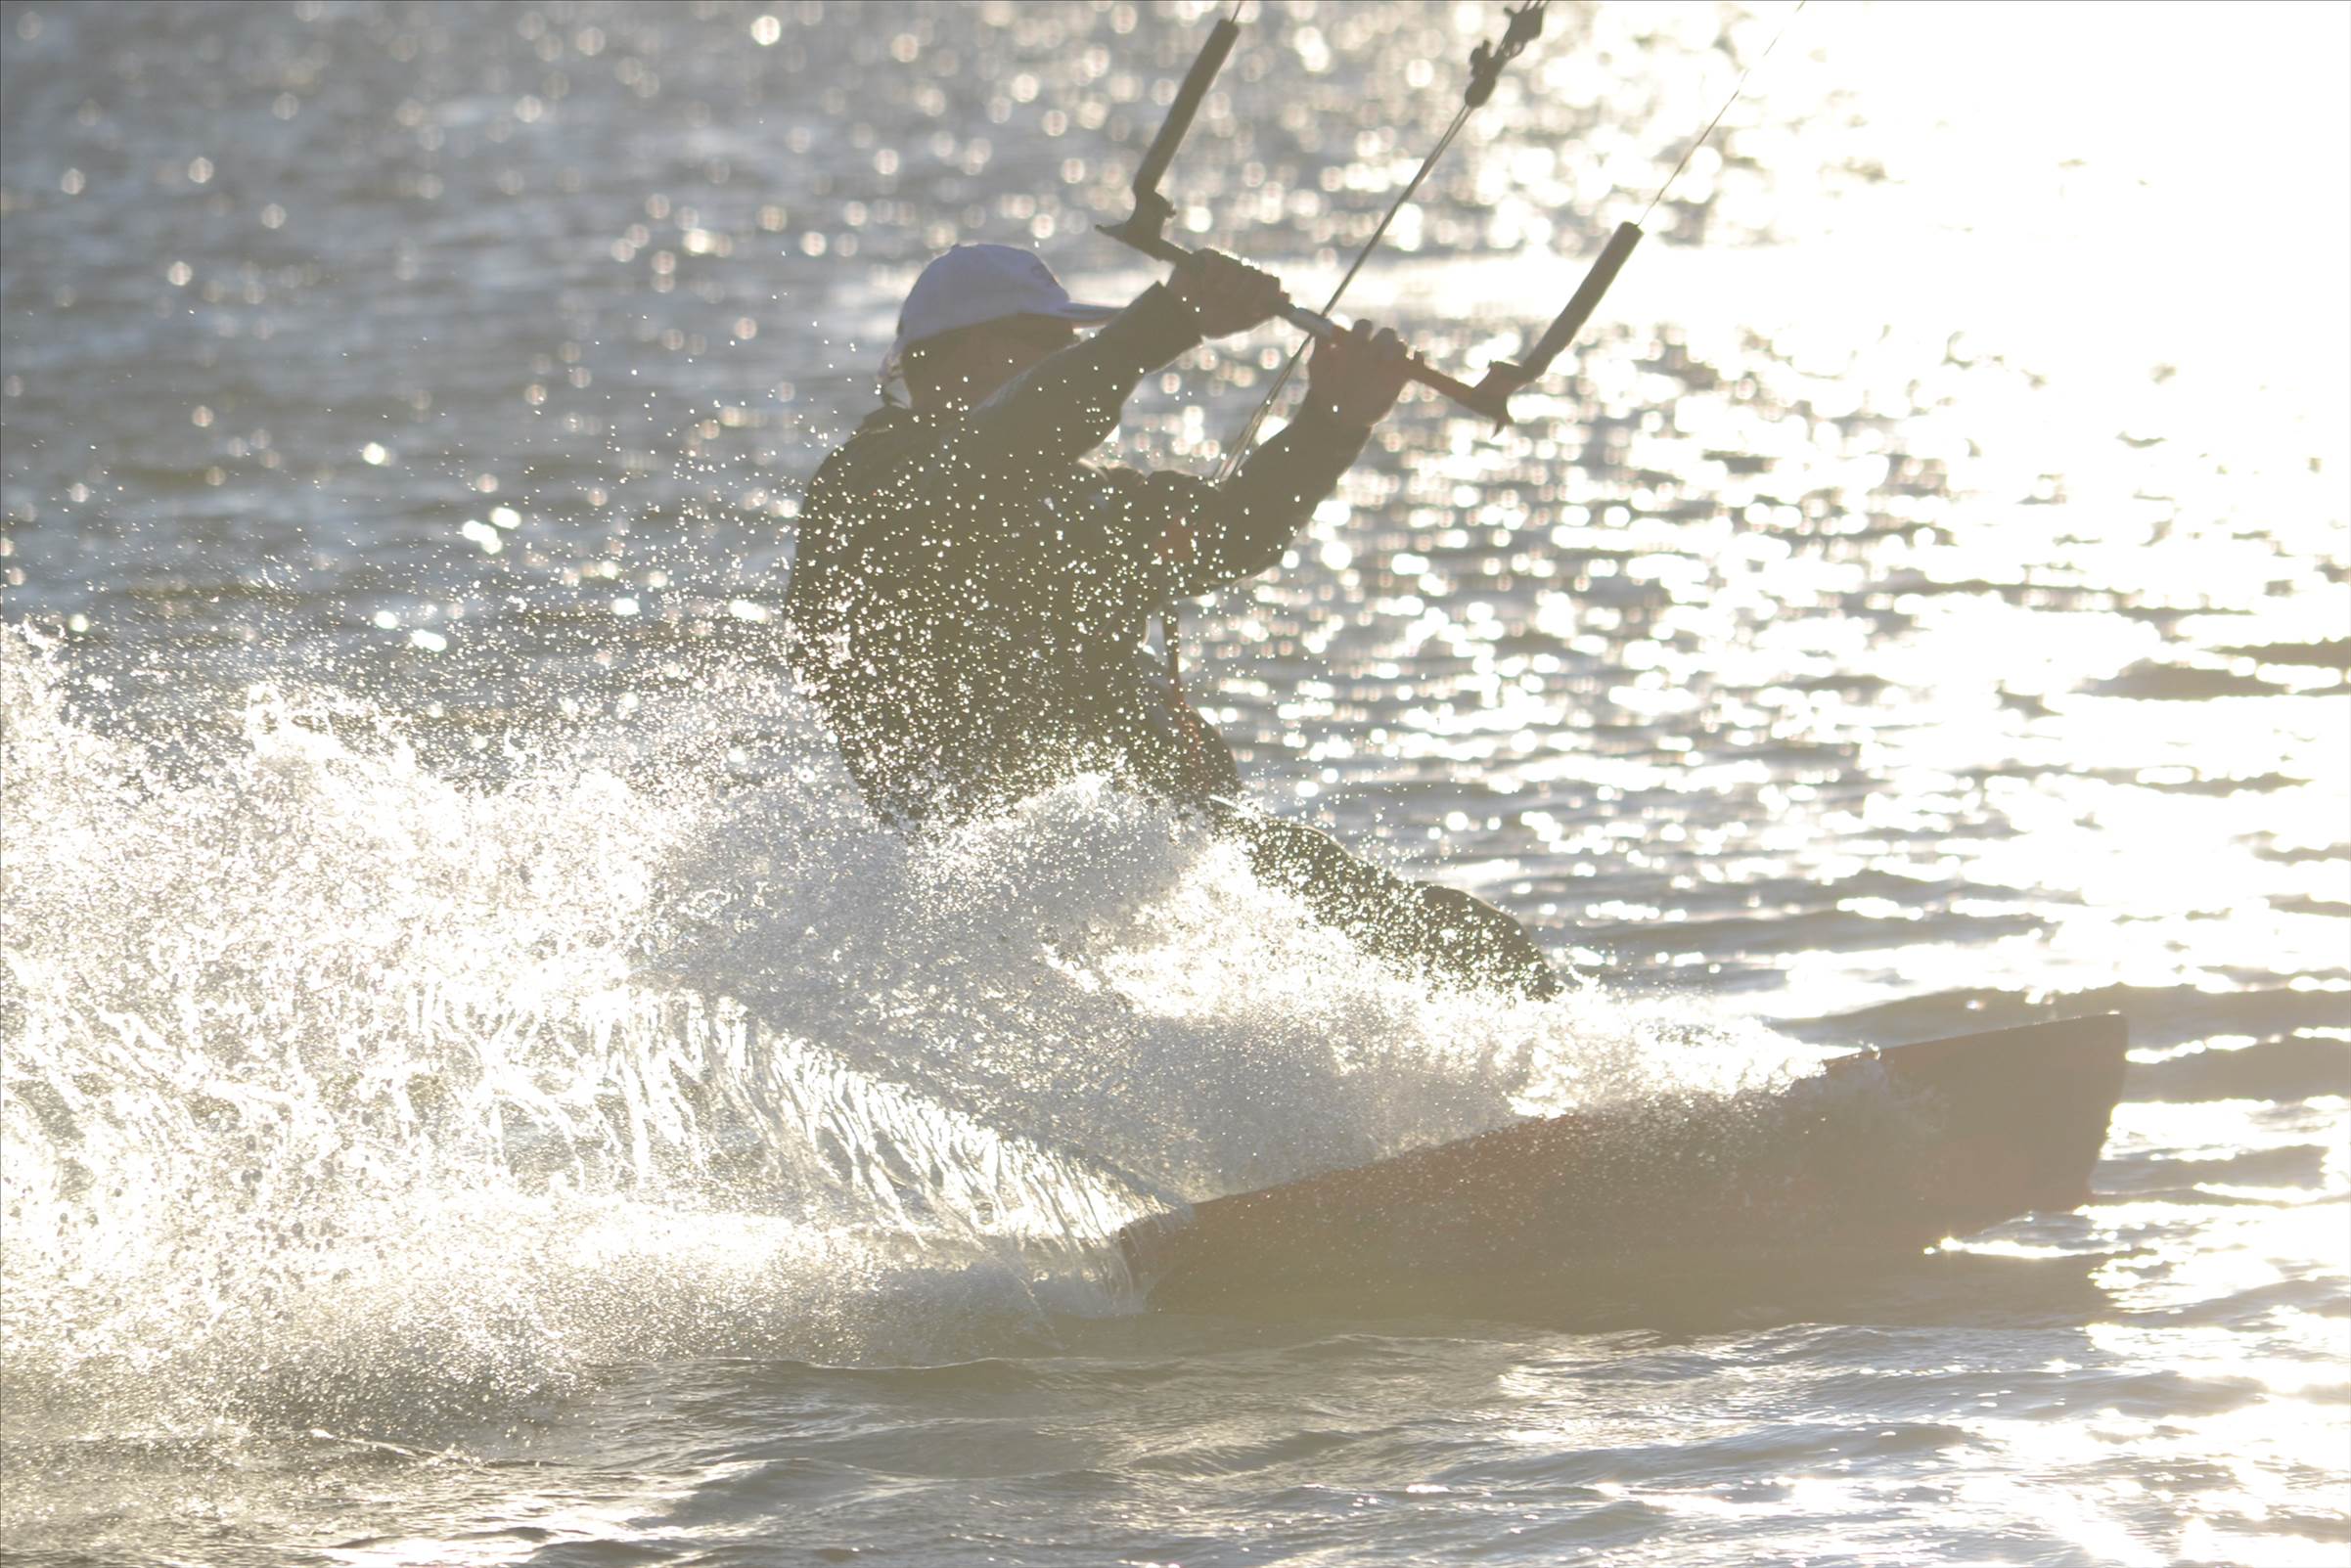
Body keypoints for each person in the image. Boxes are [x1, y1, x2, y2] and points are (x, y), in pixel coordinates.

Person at [785, 242, 1560, 1001]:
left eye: (1071, 344)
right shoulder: (874, 484)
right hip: (1009, 866)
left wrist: (1333, 419)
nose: (1068, 356)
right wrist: (1166, 321)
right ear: (968, 350)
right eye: (1049, 341)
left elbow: (1235, 532)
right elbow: (993, 455)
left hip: (1167, 850)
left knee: (1468, 942)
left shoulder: (1076, 497)